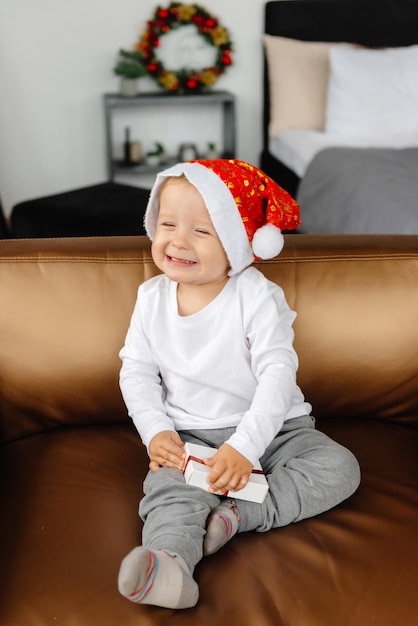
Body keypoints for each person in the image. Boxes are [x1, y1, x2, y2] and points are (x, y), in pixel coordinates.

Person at [117, 159, 360, 609]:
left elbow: (277, 375)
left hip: (275, 433)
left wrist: (246, 448)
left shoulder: (256, 296)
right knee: (168, 492)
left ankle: (240, 514)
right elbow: (136, 371)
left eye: (202, 232)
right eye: (167, 223)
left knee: (340, 467)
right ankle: (170, 566)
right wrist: (157, 433)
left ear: (236, 241)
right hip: (189, 436)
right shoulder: (150, 299)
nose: (178, 240)